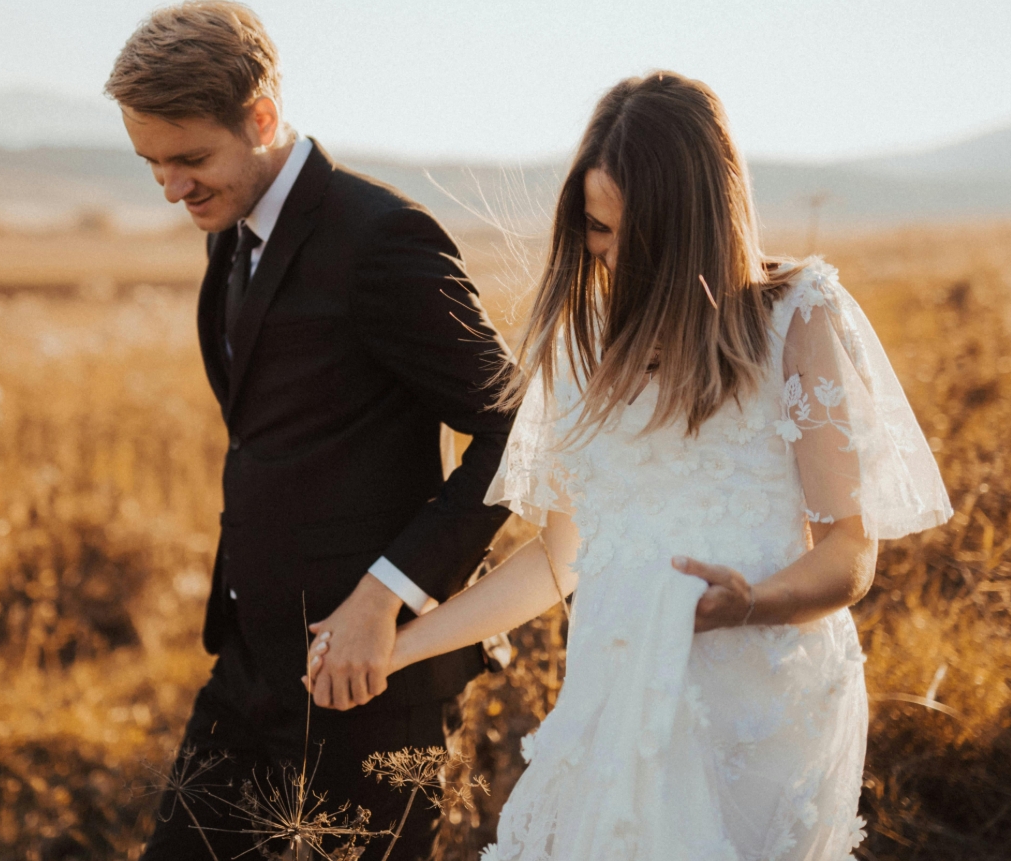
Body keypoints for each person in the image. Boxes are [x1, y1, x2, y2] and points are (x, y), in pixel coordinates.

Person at [309, 72, 953, 860]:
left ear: (696, 225)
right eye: (595, 227)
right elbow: (556, 560)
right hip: (612, 705)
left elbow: (851, 554)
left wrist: (753, 602)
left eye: (629, 235)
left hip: (758, 714)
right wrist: (400, 644)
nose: (607, 255)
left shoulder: (796, 318)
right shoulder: (578, 347)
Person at [105, 3, 514, 858]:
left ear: (260, 118)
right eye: (151, 164)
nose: (172, 189)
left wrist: (382, 596)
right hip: (250, 665)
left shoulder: (382, 239)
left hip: (369, 681)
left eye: (190, 159)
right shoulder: (234, 233)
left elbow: (517, 426)